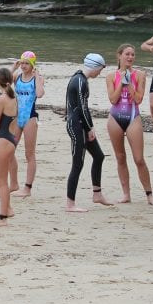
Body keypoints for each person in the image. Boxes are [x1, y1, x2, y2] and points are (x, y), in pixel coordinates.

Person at [105, 44, 153, 204]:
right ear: (119, 56)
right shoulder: (111, 76)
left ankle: (149, 195)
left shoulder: (140, 75)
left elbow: (139, 99)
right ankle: (126, 194)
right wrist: (122, 82)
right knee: (120, 157)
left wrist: (129, 84)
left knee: (139, 158)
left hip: (133, 116)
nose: (130, 57)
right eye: (127, 54)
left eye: (133, 55)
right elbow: (113, 99)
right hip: (115, 117)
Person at [65, 53, 112, 211]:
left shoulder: (81, 79)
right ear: (96, 67)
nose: (100, 73)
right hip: (76, 125)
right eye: (100, 69)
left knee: (99, 156)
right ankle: (70, 203)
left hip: (81, 124)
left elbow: (83, 108)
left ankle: (97, 194)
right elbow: (81, 108)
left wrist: (89, 127)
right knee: (77, 163)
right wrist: (89, 127)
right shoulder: (79, 81)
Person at [0, 67, 20, 227]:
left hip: (3, 141)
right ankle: (7, 209)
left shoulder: (1, 100)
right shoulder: (14, 98)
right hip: (9, 139)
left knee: (1, 181)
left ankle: (3, 218)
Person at [12, 51, 45, 198]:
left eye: (27, 63)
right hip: (17, 117)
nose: (24, 66)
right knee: (9, 149)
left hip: (30, 118)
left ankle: (27, 188)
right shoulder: (16, 77)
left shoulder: (36, 79)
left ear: (32, 65)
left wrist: (37, 76)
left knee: (29, 154)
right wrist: (13, 67)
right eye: (22, 63)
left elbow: (39, 94)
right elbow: (0, 82)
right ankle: (13, 183)